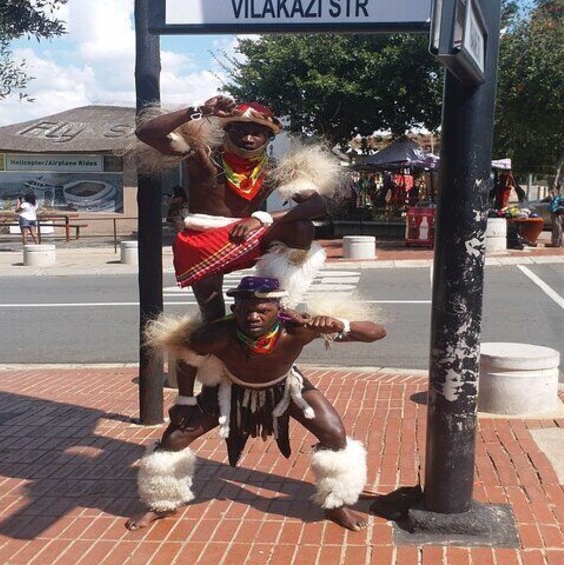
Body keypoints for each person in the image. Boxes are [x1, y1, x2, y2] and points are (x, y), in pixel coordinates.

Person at [127, 276, 387, 533]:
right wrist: (185, 399)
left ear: (279, 309)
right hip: (229, 389)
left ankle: (336, 503)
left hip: (287, 388)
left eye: (263, 310)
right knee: (172, 440)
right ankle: (162, 503)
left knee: (334, 435)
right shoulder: (218, 334)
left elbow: (377, 333)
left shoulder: (299, 328)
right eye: (245, 311)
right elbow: (186, 357)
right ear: (234, 310)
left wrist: (337, 323)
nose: (253, 317)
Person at [134, 95, 341, 319]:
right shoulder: (202, 155)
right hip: (204, 240)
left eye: (257, 133)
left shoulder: (273, 170)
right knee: (213, 314)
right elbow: (146, 134)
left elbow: (316, 204)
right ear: (227, 131)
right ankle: (209, 344)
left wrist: (262, 219)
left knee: (302, 227)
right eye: (240, 131)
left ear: (268, 138)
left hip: (246, 235)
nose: (249, 138)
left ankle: (280, 301)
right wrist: (200, 110)